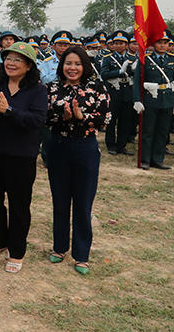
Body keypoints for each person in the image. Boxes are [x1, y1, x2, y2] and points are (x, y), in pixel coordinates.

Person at [0, 42, 47, 273]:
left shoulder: (37, 90)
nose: (11, 63)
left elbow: (36, 121)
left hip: (22, 157)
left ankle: (16, 252)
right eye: (8, 58)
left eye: (18, 59)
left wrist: (9, 111)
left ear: (28, 66)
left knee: (19, 205)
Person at [46, 46, 111, 275]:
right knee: (60, 200)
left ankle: (82, 255)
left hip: (85, 148)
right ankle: (59, 247)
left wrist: (82, 117)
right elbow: (44, 116)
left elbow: (104, 118)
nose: (72, 68)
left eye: (77, 64)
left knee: (83, 202)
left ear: (85, 66)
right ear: (61, 65)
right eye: (68, 63)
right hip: (58, 147)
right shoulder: (53, 87)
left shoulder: (97, 87)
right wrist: (60, 116)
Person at [133, 31, 174, 170]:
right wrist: (137, 100)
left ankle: (158, 159)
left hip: (167, 100)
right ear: (153, 44)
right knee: (148, 131)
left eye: (165, 43)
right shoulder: (145, 59)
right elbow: (137, 81)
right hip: (150, 100)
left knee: (163, 132)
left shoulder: (172, 59)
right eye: (159, 42)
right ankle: (145, 160)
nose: (162, 45)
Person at [99, 31, 135, 156]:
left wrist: (133, 70)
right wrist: (119, 71)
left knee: (125, 120)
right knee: (111, 120)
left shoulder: (132, 59)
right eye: (116, 43)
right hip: (114, 92)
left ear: (126, 45)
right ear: (113, 45)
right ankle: (111, 145)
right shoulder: (108, 59)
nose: (119, 46)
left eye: (122, 43)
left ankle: (122, 145)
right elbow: (104, 74)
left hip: (127, 92)